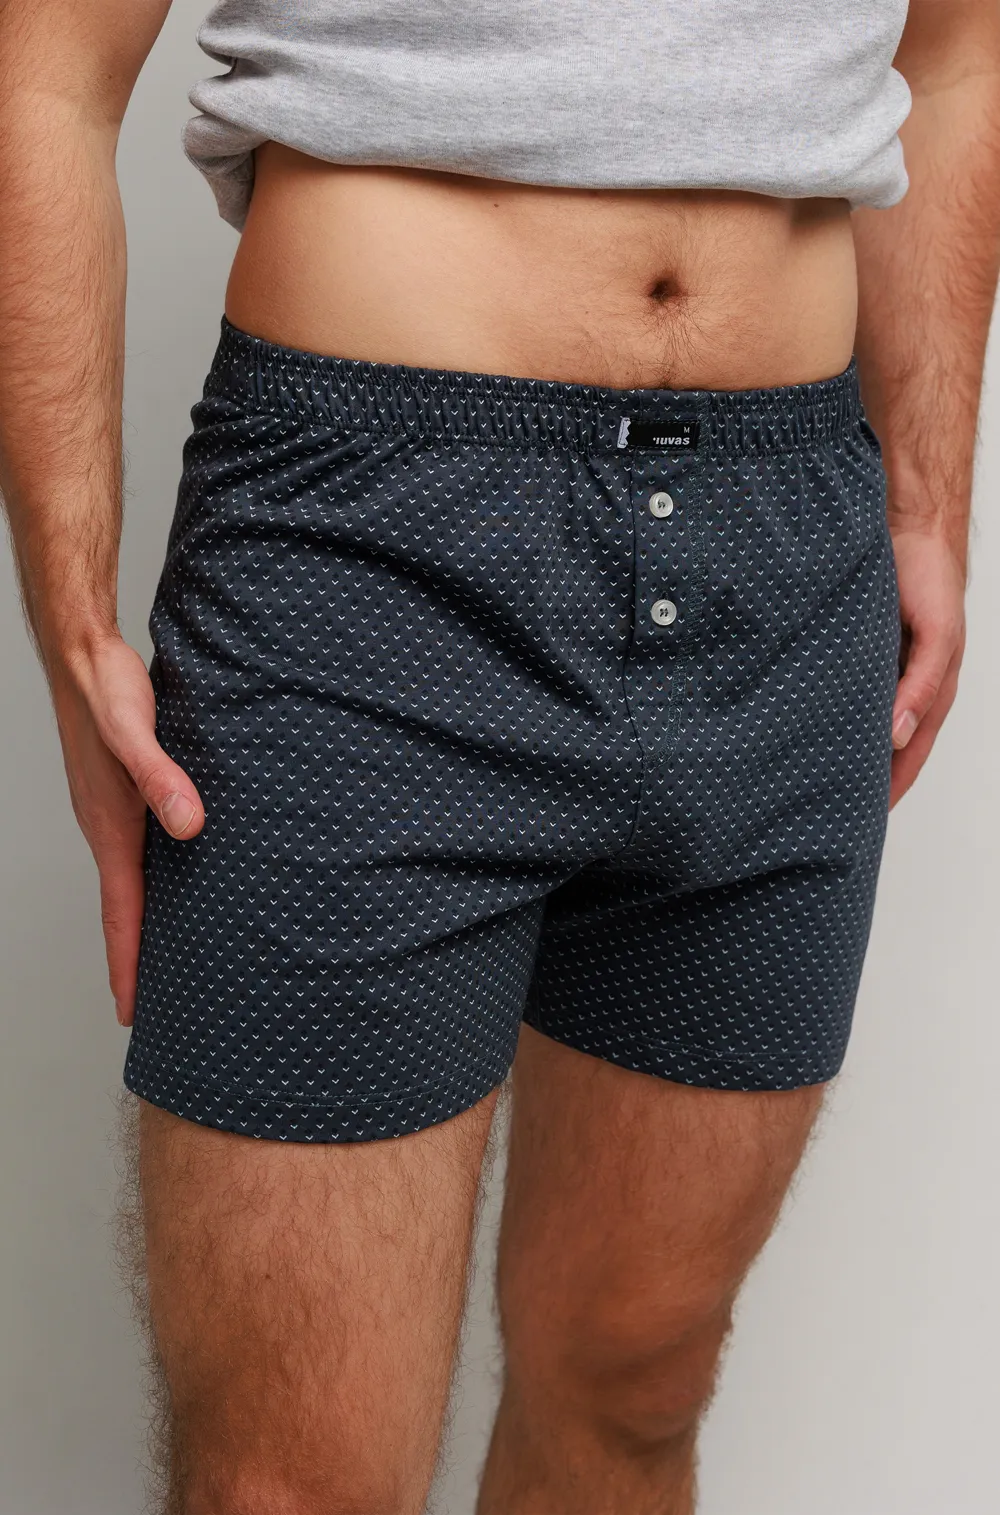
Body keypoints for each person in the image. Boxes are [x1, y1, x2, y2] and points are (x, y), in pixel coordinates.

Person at [1, 1, 997, 1511]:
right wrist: (74, 619)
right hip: (364, 553)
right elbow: (48, 75)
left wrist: (927, 496)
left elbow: (957, 53)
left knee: (634, 1386)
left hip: (787, 554)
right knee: (287, 1481)